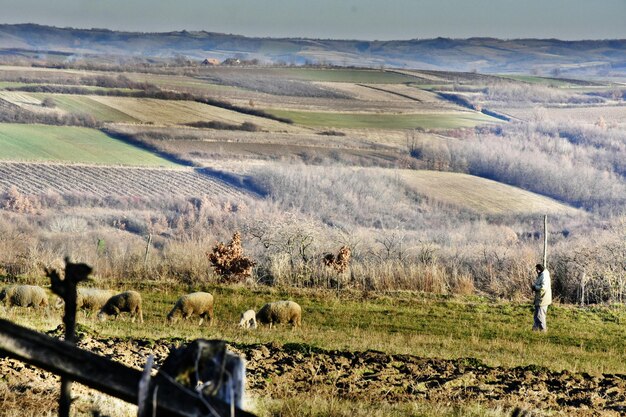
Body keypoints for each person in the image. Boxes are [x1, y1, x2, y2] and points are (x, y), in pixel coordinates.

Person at [531, 263, 552, 332]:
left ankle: (543, 331)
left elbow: (543, 287)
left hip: (543, 299)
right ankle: (535, 330)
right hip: (539, 298)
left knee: (541, 315)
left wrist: (535, 287)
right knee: (536, 315)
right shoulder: (542, 275)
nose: (536, 271)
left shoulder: (544, 276)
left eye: (537, 269)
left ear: (540, 269)